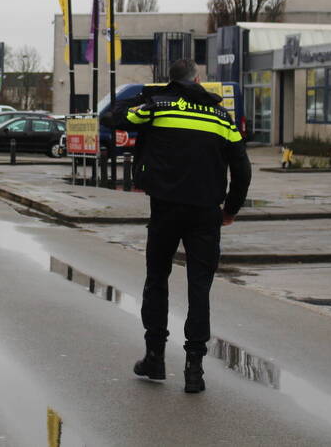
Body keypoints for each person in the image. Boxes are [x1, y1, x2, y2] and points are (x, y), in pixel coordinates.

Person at [105, 59, 251, 393]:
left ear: (171, 82)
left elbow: (112, 116)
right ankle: (194, 369)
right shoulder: (220, 117)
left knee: (157, 279)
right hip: (205, 213)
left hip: (166, 208)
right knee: (200, 288)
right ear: (198, 80)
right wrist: (230, 209)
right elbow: (242, 169)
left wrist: (147, 95)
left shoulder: (156, 107)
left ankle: (155, 357)